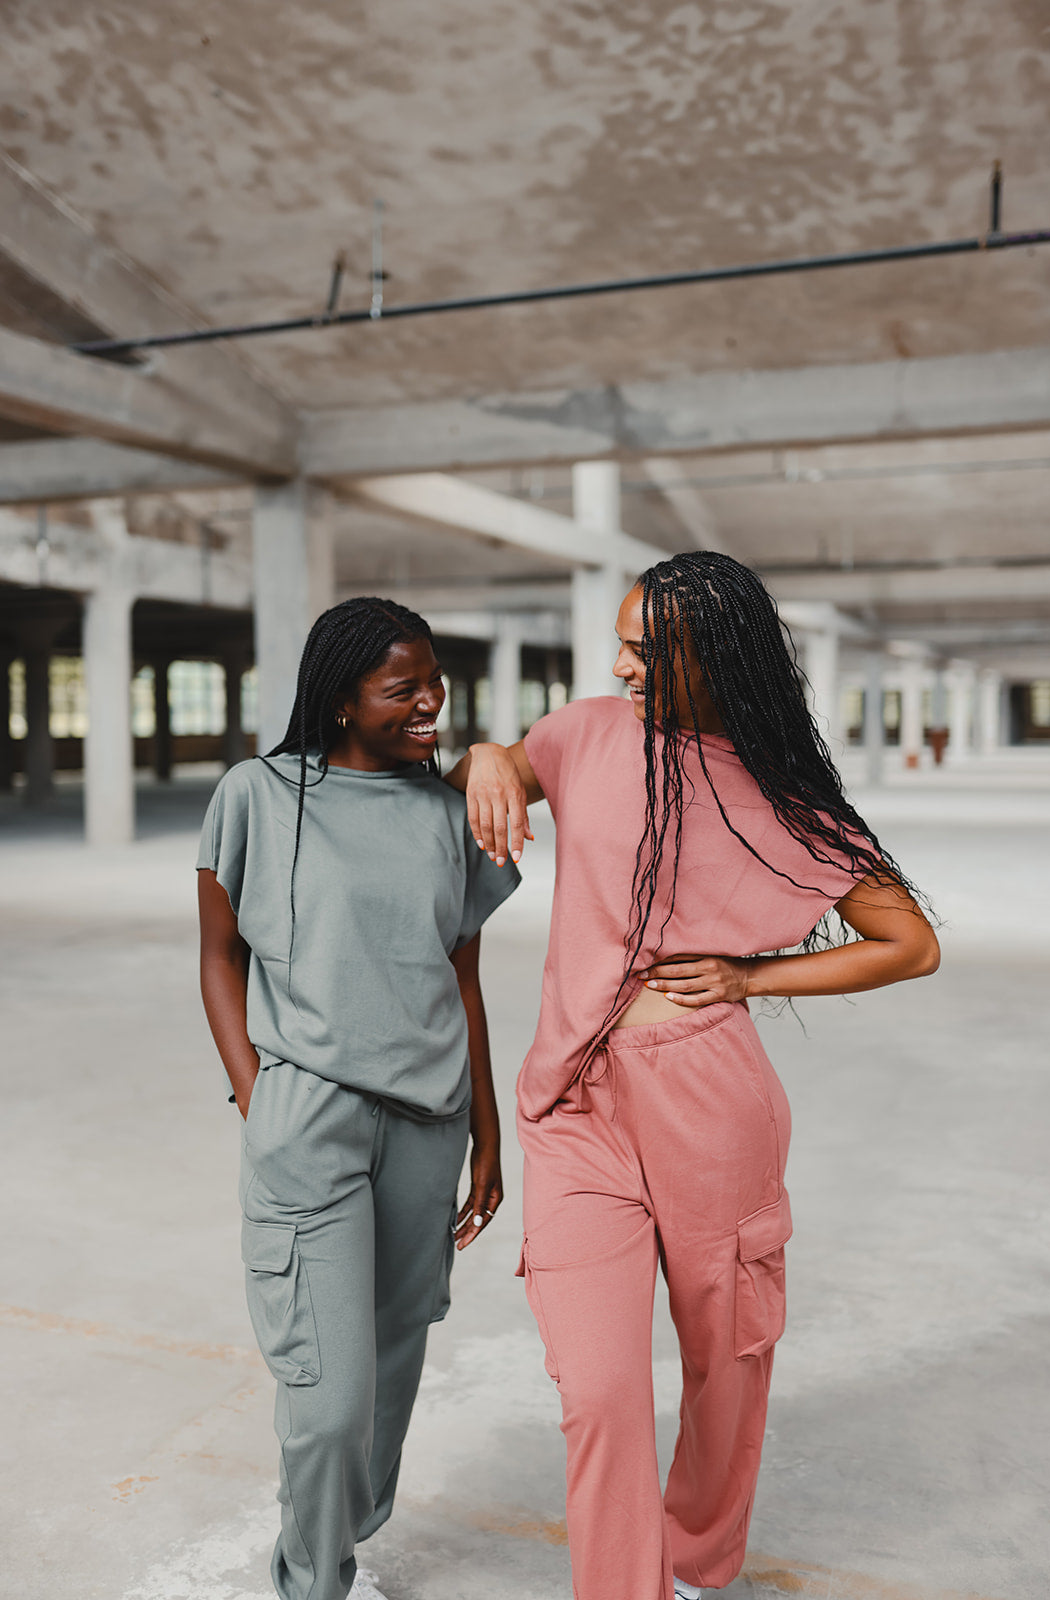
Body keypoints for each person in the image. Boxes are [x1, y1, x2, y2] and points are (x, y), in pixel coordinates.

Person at [450, 552, 940, 1600]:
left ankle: (695, 1566)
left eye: (645, 649)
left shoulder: (782, 795)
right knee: (597, 1387)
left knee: (726, 1367)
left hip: (709, 1101)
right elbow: (498, 778)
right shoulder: (584, 735)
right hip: (572, 1104)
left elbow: (906, 941)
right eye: (620, 643)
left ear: (716, 656)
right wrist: (488, 752)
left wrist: (754, 973)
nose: (620, 665)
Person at [197, 597, 519, 1600]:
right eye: (403, 688)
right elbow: (217, 954)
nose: (429, 702)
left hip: (427, 1127)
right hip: (311, 1125)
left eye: (435, 683)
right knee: (328, 1400)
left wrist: (487, 1130)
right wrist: (256, 1095)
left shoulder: (445, 815)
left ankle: (338, 1543)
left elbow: (460, 978)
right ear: (340, 698)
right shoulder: (257, 793)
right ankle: (312, 1582)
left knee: (387, 1379)